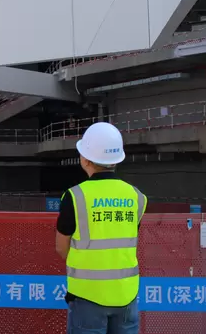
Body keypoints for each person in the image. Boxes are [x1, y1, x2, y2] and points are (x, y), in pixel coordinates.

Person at [55, 122, 147, 334]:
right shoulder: (137, 197)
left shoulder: (75, 197)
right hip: (126, 296)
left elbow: (61, 248)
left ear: (85, 159)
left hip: (87, 297)